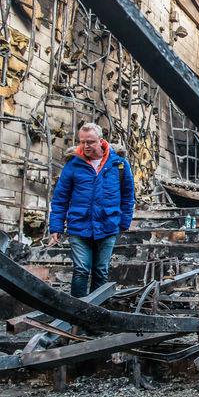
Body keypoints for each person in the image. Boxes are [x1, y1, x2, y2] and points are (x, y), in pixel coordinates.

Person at [49, 122, 135, 298]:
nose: (85, 146)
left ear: (100, 141)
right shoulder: (73, 165)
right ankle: (77, 314)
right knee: (81, 269)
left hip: (107, 224)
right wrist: (56, 226)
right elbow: (60, 198)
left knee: (100, 271)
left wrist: (124, 222)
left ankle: (96, 314)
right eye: (82, 142)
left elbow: (128, 195)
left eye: (90, 142)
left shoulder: (119, 164)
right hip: (79, 225)